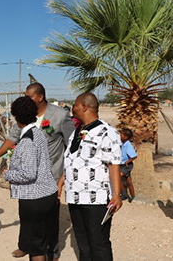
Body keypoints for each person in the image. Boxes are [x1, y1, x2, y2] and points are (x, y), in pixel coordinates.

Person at [0, 82, 75, 260]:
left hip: (50, 175)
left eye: (30, 96)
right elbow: (12, 138)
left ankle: (51, 248)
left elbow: (71, 146)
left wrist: (63, 178)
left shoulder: (60, 115)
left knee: (50, 218)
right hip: (29, 181)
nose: (26, 99)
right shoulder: (25, 119)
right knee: (27, 214)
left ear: (40, 97)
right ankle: (25, 245)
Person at [58, 92, 122, 261]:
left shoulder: (107, 132)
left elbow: (114, 164)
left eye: (75, 105)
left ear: (84, 107)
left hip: (97, 199)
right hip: (75, 197)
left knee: (98, 243)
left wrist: (116, 195)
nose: (73, 108)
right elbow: (73, 160)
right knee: (83, 244)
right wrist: (61, 182)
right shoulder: (77, 131)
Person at [3, 96, 58, 261]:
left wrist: (8, 174)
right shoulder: (38, 132)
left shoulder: (27, 140)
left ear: (16, 117)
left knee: (36, 247)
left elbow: (28, 173)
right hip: (46, 193)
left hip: (35, 197)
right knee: (40, 239)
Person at [120, 128, 137, 202]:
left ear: (125, 137)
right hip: (122, 164)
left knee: (118, 177)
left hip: (127, 165)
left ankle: (124, 195)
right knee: (129, 181)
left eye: (121, 134)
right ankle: (132, 195)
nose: (120, 135)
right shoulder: (121, 143)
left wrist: (127, 161)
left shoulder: (127, 145)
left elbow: (134, 156)